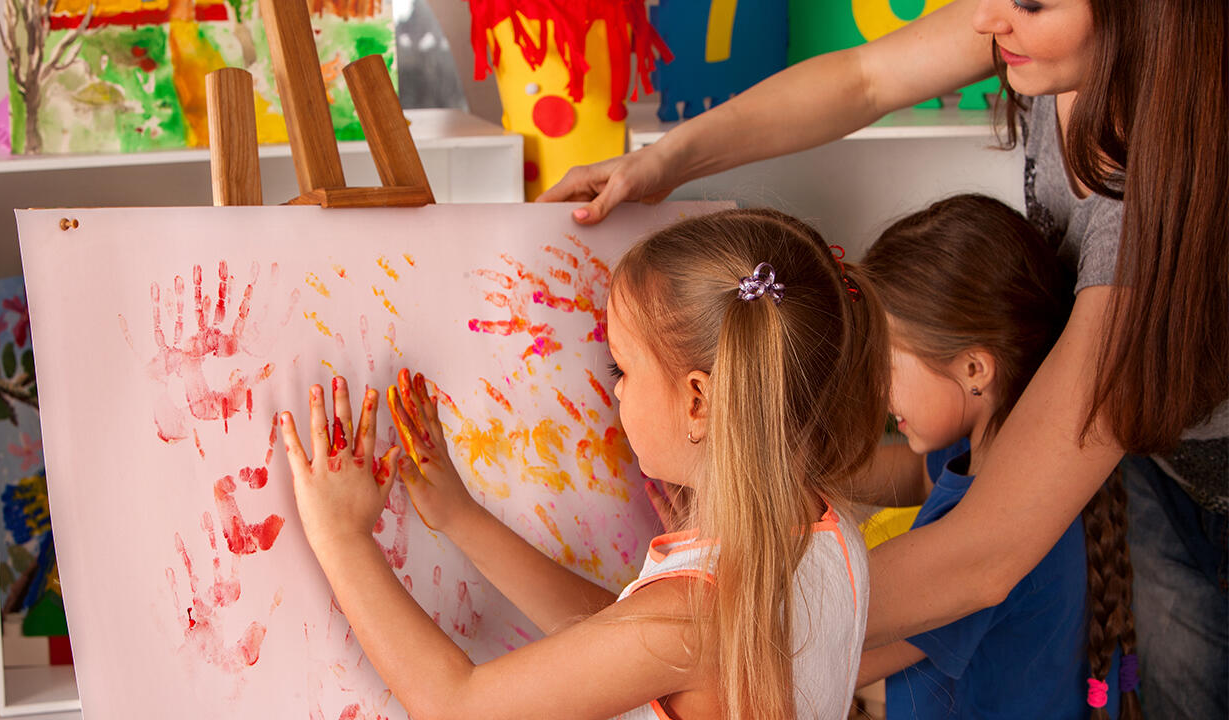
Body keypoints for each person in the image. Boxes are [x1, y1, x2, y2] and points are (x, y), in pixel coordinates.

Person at [540, 1, 1228, 716]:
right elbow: (863, 78)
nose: (988, 17)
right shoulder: (1042, 37)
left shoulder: (1146, 219)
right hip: (1153, 449)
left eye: (1030, 1)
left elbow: (983, 555)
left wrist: (698, 621)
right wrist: (662, 161)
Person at [279, 208, 889, 720]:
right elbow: (621, 640)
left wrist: (341, 536)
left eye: (620, 369)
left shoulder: (692, 617)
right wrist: (462, 518)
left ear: (698, 401)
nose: (615, 392)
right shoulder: (832, 536)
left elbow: (457, 707)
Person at [853, 194, 1133, 718]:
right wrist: (804, 479)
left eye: (888, 365)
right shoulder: (995, 453)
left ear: (975, 370)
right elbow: (916, 475)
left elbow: (838, 657)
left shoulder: (990, 537)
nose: (877, 389)